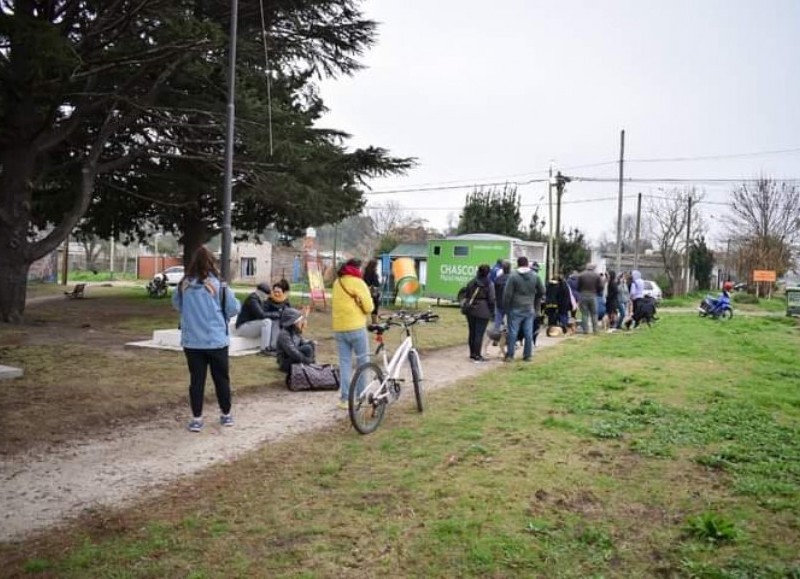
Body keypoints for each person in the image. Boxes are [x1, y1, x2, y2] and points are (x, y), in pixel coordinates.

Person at [172, 246, 241, 432]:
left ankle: (197, 419)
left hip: (192, 342)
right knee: (221, 379)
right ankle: (226, 415)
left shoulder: (184, 284)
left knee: (196, 380)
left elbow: (177, 305)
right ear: (212, 263)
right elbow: (233, 308)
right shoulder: (219, 285)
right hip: (216, 341)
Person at [332, 258, 374, 409]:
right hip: (356, 327)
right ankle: (360, 396)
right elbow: (369, 308)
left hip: (339, 329)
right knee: (362, 362)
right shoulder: (359, 283)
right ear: (357, 269)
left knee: (344, 363)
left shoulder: (337, 283)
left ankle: (344, 399)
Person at [503, 256, 544, 361]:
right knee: (528, 332)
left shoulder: (513, 276)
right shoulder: (535, 276)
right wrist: (535, 298)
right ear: (527, 264)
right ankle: (527, 355)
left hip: (515, 307)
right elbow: (542, 290)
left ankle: (510, 355)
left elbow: (507, 294)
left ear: (518, 264)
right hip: (529, 307)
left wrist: (506, 307)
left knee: (513, 332)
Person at [234, 282, 280, 356]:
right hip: (242, 327)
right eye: (266, 294)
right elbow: (261, 315)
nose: (267, 296)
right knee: (266, 322)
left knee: (272, 321)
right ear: (261, 292)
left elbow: (266, 312)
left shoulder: (259, 299)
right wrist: (276, 314)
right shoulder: (253, 299)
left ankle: (273, 346)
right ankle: (264, 349)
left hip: (251, 325)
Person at [463, 263, 495, 362]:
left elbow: (466, 294)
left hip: (470, 309)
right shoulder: (489, 284)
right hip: (483, 310)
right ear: (488, 273)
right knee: (479, 334)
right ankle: (477, 355)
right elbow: (491, 299)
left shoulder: (471, 282)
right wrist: (492, 311)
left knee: (472, 332)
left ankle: (472, 353)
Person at [276, 307, 316, 380]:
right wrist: (305, 360)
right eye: (299, 321)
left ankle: (311, 365)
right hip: (285, 361)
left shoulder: (295, 331)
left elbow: (302, 343)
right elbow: (292, 352)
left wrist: (310, 343)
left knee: (310, 345)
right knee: (307, 348)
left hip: (294, 355)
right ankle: (309, 365)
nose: (300, 322)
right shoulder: (284, 334)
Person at [577, 263, 602, 334]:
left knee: (584, 314)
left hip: (583, 295)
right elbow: (600, 286)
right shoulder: (596, 275)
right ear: (593, 268)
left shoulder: (581, 275)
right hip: (593, 295)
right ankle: (595, 330)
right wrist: (597, 291)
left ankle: (585, 330)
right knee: (594, 313)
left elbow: (578, 286)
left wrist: (581, 291)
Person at [492, 260, 511, 333]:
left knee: (498, 321)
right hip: (510, 303)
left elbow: (495, 290)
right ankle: (510, 337)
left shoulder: (498, 279)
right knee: (510, 322)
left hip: (499, 302)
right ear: (509, 268)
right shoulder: (512, 278)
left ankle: (496, 335)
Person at [363, 259, 382, 325]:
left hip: (367, 291)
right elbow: (376, 283)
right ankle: (374, 321)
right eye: (376, 265)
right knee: (375, 306)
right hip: (374, 291)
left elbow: (365, 282)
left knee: (367, 306)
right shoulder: (373, 273)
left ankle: (365, 321)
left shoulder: (365, 272)